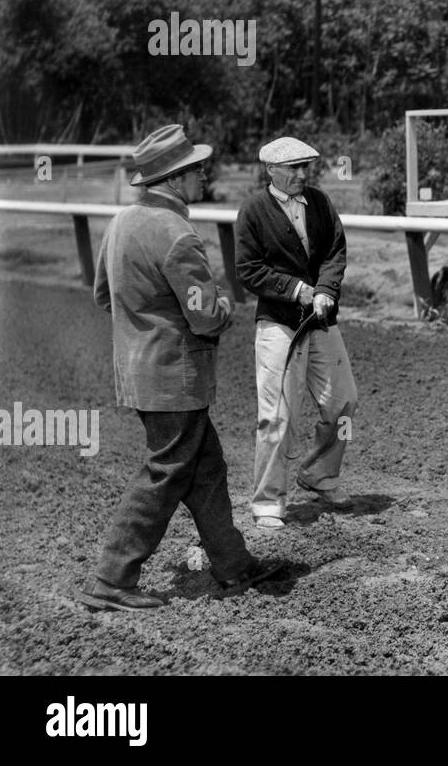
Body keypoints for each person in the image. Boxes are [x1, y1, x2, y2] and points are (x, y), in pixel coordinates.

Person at [82, 124, 281, 612]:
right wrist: (225, 310)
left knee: (205, 468)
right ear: (173, 179)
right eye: (196, 169)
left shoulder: (121, 222)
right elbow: (204, 315)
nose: (204, 174)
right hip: (175, 377)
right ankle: (111, 576)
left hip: (137, 371)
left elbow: (102, 296)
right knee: (166, 471)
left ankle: (234, 566)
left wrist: (144, 322)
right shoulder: (176, 234)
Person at [235, 136, 358, 529]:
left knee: (343, 402)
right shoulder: (253, 211)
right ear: (270, 170)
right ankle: (268, 501)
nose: (301, 175)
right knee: (276, 417)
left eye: (305, 167)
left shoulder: (320, 203)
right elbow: (248, 269)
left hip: (321, 321)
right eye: (292, 168)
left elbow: (335, 251)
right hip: (278, 324)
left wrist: (324, 290)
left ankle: (320, 473)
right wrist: (297, 290)